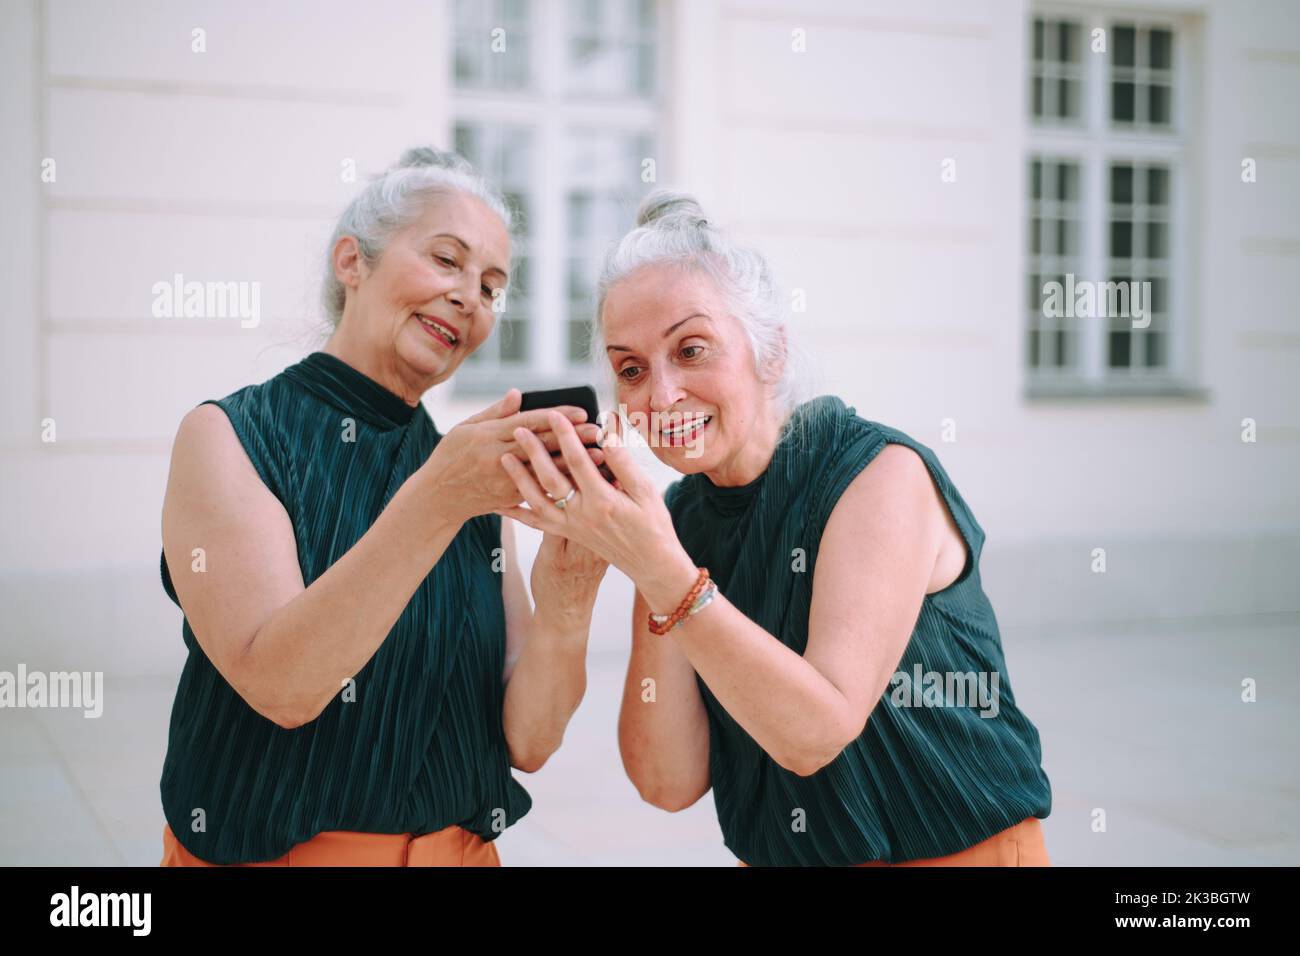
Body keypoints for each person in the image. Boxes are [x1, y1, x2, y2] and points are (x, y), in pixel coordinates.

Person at [494, 189, 1053, 866]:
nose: (660, 395)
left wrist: (666, 572)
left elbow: (816, 731)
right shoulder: (676, 520)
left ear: (773, 353)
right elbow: (666, 781)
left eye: (692, 350)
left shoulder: (878, 476)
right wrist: (643, 562)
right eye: (631, 369)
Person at [157, 147, 608, 866]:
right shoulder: (230, 437)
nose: (470, 296)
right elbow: (282, 685)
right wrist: (438, 498)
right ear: (351, 262)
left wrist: (570, 594)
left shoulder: (467, 472)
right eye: (446, 259)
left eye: (492, 286)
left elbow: (531, 741)